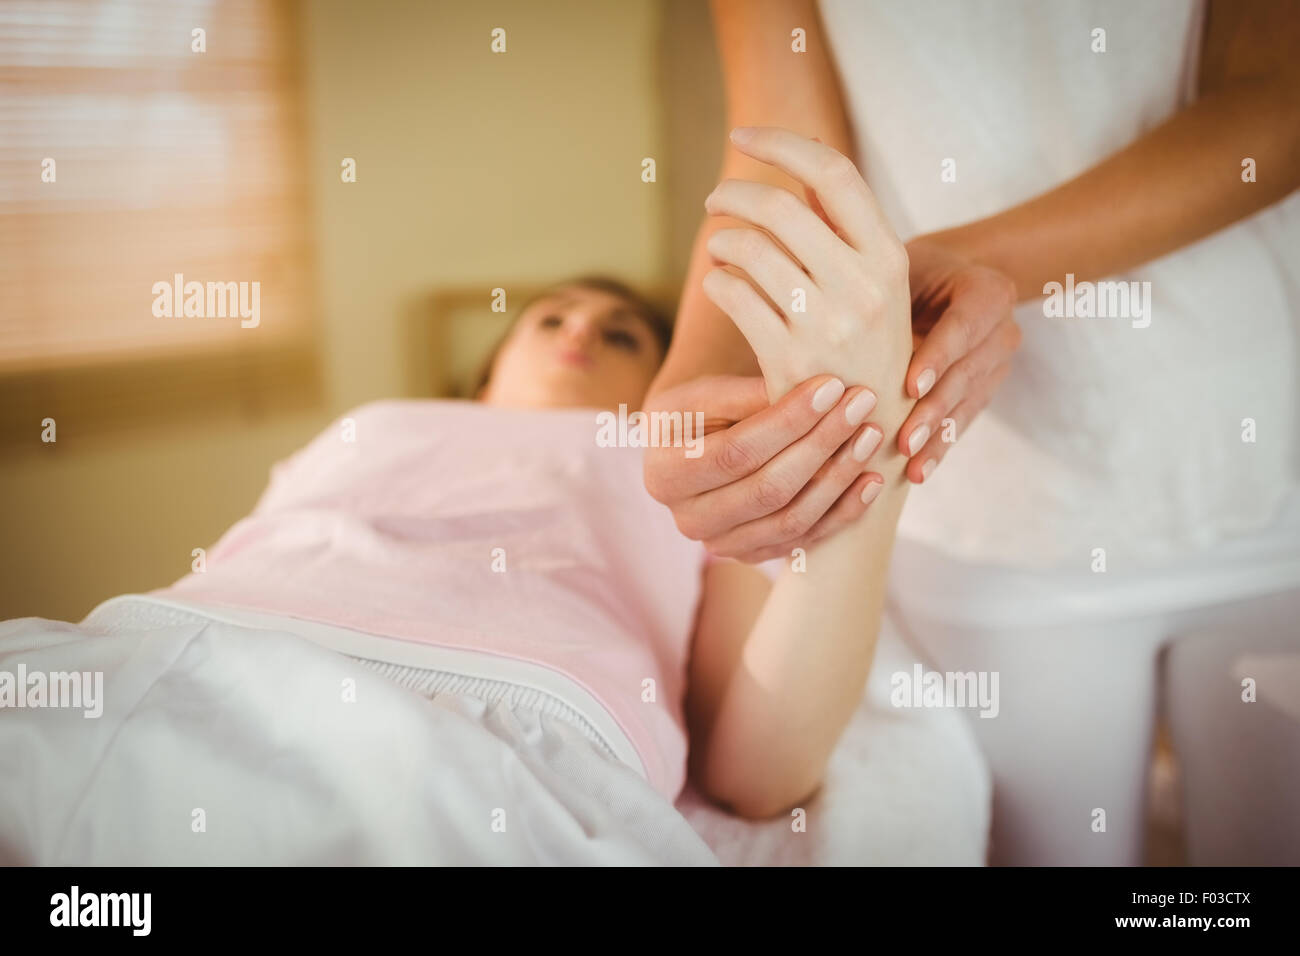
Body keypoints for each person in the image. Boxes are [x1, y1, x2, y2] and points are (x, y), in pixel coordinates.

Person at [644, 0, 1300, 864]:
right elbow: (781, 144)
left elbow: (1279, 105)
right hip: (985, 505)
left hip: (1256, 456)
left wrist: (987, 261)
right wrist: (691, 378)